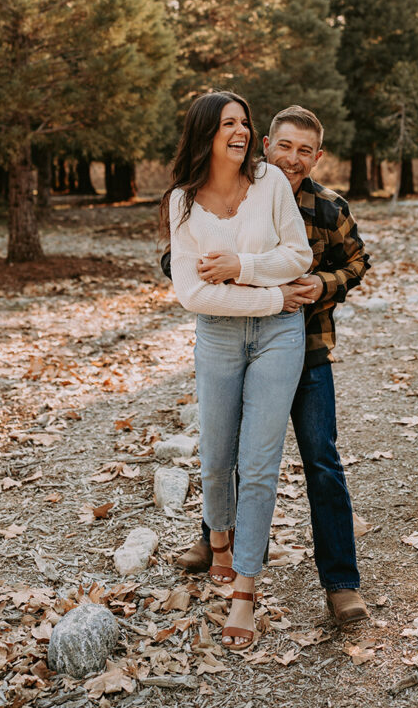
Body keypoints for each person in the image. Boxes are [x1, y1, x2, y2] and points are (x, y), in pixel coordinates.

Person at [171, 104, 371, 627]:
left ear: (317, 157)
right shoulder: (224, 191)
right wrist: (236, 278)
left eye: (305, 151)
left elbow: (357, 262)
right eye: (284, 146)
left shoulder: (328, 206)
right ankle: (216, 537)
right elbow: (182, 263)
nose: (293, 157)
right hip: (235, 334)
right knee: (223, 445)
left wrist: (322, 285)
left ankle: (341, 582)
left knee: (320, 460)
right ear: (266, 145)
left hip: (305, 348)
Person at [162, 92, 313, 650]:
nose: (241, 131)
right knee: (216, 453)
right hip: (224, 336)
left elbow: (298, 256)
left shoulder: (270, 183)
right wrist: (272, 297)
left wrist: (240, 268)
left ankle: (245, 589)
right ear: (205, 134)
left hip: (279, 340)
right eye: (228, 123)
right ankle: (218, 538)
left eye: (245, 122)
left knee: (258, 462)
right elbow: (191, 293)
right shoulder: (182, 203)